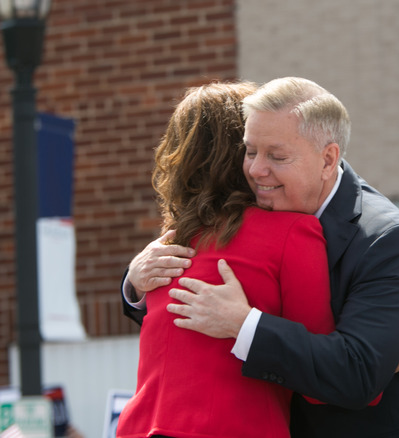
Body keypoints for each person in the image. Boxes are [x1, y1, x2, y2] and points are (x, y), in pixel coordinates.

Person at [123, 77, 399, 437]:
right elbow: (194, 323)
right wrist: (134, 284)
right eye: (248, 151)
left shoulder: (386, 238)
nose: (256, 170)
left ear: (328, 159)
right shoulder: (258, 212)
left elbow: (357, 374)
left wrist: (243, 323)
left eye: (276, 157)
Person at [116, 82, 335, 438]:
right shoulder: (293, 232)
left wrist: (131, 285)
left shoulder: (169, 244)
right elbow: (321, 378)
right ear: (242, 150)